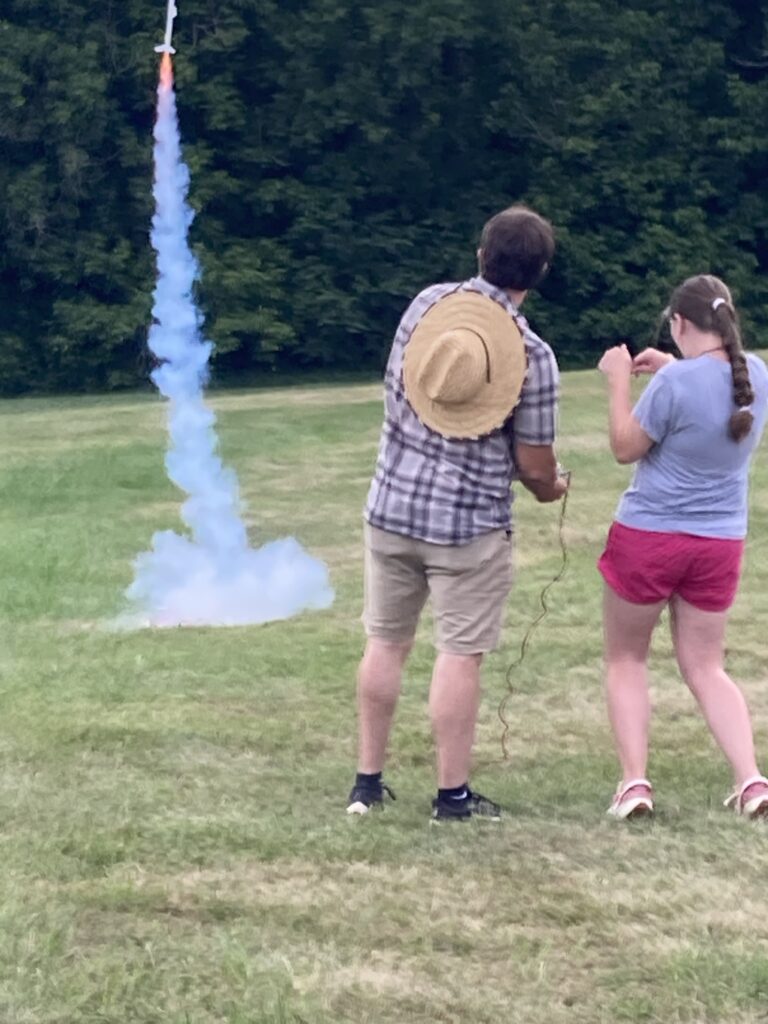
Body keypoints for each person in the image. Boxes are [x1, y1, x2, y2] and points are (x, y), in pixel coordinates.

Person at [346, 205, 569, 823]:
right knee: (458, 653)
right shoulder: (533, 357)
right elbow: (534, 465)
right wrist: (555, 489)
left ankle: (366, 783)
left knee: (385, 644)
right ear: (540, 272)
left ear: (481, 254)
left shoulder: (425, 309)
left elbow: (398, 391)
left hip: (390, 509)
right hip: (468, 530)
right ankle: (451, 796)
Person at [597, 273, 768, 820]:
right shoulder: (758, 377)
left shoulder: (673, 387)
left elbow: (626, 447)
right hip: (718, 544)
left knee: (627, 658)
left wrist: (618, 380)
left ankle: (635, 784)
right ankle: (751, 782)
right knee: (706, 666)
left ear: (679, 324)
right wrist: (674, 369)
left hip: (650, 537)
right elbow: (714, 398)